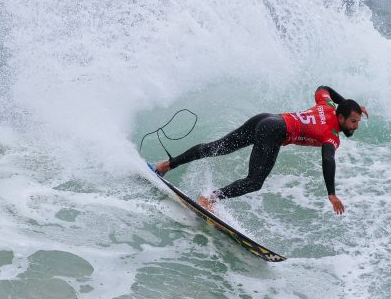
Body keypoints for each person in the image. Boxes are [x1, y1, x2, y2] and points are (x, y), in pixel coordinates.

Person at [154, 86, 367, 215]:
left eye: (357, 121)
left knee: (215, 148)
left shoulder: (328, 105)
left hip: (266, 119)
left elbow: (323, 88)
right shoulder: (330, 135)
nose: (355, 126)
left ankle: (165, 165)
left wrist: (345, 103)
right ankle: (208, 200)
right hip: (274, 131)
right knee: (254, 182)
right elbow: (328, 159)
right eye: (353, 121)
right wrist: (331, 193)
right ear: (340, 118)